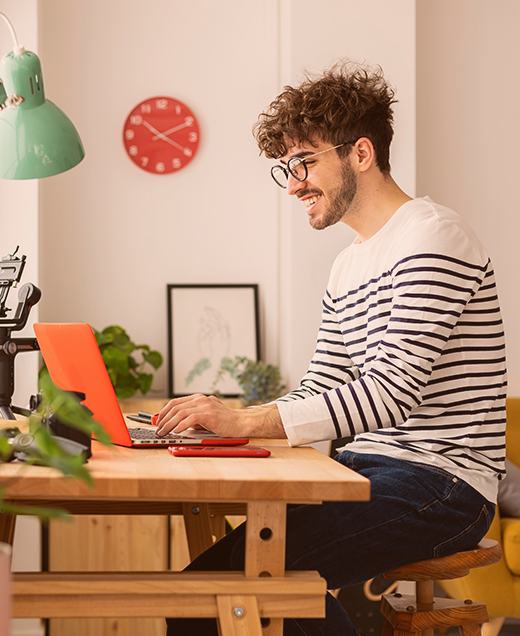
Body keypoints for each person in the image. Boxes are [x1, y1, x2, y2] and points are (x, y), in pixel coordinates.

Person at [155, 62, 507, 635]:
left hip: (444, 484)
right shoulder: (347, 265)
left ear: (361, 153)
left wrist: (243, 418)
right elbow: (323, 387)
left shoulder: (433, 236)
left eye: (305, 163)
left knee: (221, 593)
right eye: (286, 168)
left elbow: (390, 392)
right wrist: (227, 430)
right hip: (363, 469)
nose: (293, 183)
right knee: (212, 588)